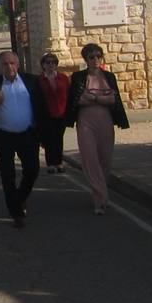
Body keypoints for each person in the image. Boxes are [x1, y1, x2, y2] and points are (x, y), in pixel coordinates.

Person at [0, 51, 49, 228]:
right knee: (7, 175)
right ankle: (16, 213)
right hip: (4, 136)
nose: (9, 67)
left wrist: (44, 136)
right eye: (5, 64)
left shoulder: (31, 81)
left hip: (27, 134)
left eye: (12, 63)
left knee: (32, 170)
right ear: (0, 67)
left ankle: (20, 197)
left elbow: (41, 108)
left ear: (18, 64)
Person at [64, 43, 130, 214]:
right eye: (91, 57)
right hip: (85, 120)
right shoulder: (78, 77)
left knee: (105, 158)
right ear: (86, 59)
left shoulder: (109, 77)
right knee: (89, 158)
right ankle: (100, 197)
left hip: (105, 121)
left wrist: (92, 96)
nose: (95, 60)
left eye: (98, 56)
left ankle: (100, 191)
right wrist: (100, 97)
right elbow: (78, 100)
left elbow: (113, 100)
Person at [37, 52, 71, 174]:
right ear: (43, 65)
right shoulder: (39, 80)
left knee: (59, 139)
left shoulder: (63, 78)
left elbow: (68, 94)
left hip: (61, 113)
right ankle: (51, 163)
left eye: (53, 62)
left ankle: (59, 162)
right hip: (46, 115)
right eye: (48, 62)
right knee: (48, 139)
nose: (51, 65)